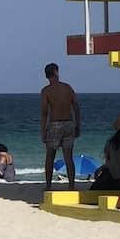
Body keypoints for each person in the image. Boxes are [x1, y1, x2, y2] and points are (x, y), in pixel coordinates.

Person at [40, 62, 80, 190]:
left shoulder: (46, 91)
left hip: (54, 124)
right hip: (68, 123)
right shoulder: (67, 88)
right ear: (56, 72)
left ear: (47, 76)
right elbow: (76, 107)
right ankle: (71, 186)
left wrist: (43, 130)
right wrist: (77, 125)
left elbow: (45, 111)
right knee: (68, 158)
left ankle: (48, 185)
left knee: (50, 157)